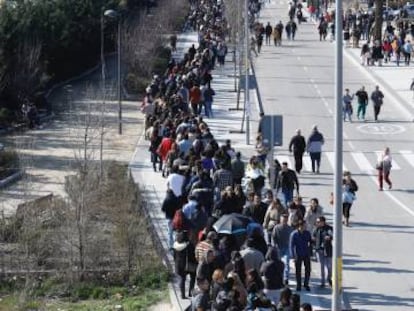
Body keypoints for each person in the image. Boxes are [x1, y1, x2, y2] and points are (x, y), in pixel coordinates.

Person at [173, 231, 197, 299]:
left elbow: (174, 256)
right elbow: (193, 255)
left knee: (182, 279)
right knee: (193, 277)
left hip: (179, 265)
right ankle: (190, 293)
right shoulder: (189, 245)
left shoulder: (175, 245)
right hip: (189, 265)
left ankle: (182, 295)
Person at [290, 220, 312, 291]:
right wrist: (293, 256)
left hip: (306, 253)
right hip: (298, 254)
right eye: (304, 225)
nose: (305, 227)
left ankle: (306, 284)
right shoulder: (294, 234)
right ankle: (298, 285)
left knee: (308, 270)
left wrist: (310, 251)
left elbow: (310, 242)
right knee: (298, 271)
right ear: (300, 226)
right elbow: (291, 245)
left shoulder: (307, 233)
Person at [272, 214, 293, 285]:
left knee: (286, 263)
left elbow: (292, 239)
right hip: (279, 248)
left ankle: (286, 278)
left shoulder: (290, 228)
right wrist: (274, 246)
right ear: (280, 220)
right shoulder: (276, 228)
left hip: (287, 248)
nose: (284, 221)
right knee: (278, 263)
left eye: (285, 220)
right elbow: (273, 237)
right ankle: (279, 277)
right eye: (283, 220)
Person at [312, 216, 333, 288]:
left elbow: (331, 235)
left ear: (323, 222)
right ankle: (322, 281)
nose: (317, 223)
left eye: (319, 222)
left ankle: (329, 278)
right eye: (317, 222)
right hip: (319, 250)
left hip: (327, 250)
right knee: (322, 266)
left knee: (329, 266)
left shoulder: (329, 228)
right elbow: (313, 236)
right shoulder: (316, 229)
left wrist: (329, 237)